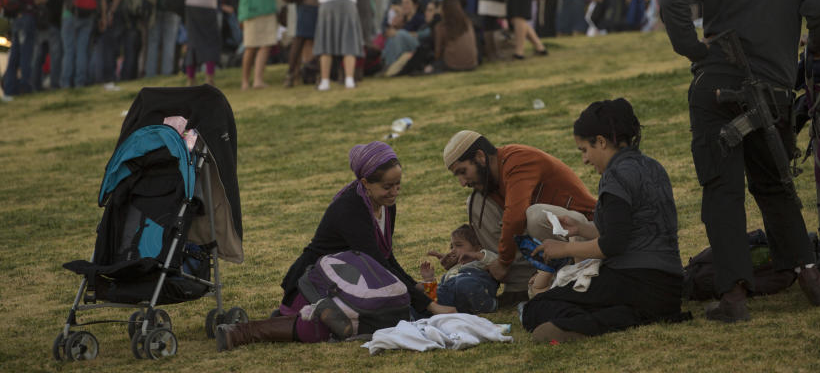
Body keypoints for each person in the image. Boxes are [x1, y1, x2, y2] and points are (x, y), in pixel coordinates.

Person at [659, 0, 820, 322]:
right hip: (774, 91)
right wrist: (817, 47)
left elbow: (671, 4)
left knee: (722, 193)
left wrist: (695, 54)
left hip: (718, 88)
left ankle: (734, 298)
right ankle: (811, 278)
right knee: (776, 184)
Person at [216, 142, 456, 351]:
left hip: (351, 282)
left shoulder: (385, 204)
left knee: (388, 314)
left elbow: (386, 257)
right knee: (335, 328)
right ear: (365, 183)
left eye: (398, 185)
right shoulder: (350, 208)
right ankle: (242, 332)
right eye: (388, 186)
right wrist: (430, 305)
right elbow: (376, 263)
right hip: (314, 282)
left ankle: (284, 322)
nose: (394, 192)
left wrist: (413, 288)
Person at [521, 98, 686, 342]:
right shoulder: (653, 167)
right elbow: (631, 231)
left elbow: (613, 246)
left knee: (536, 308)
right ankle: (632, 315)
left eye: (585, 150)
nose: (585, 160)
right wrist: (584, 229)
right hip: (669, 287)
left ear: (601, 141)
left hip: (634, 280)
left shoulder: (616, 175)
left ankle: (589, 324)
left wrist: (563, 248)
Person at [441, 130, 597, 305]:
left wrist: (503, 262)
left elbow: (515, 216)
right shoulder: (490, 178)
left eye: (463, 172)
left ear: (480, 157)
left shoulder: (519, 160)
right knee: (475, 202)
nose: (462, 183)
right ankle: (520, 285)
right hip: (547, 243)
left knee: (536, 215)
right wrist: (462, 254)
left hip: (585, 233)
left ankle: (565, 275)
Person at [419, 224, 499, 314]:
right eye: (452, 247)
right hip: (452, 296)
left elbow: (495, 261)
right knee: (430, 294)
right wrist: (429, 279)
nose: (453, 250)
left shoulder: (480, 260)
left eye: (458, 245)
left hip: (471, 287)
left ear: (477, 247)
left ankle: (489, 305)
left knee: (463, 282)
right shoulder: (456, 266)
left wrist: (476, 254)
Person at [1, 0, 37, 97]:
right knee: (25, 55)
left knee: (14, 57)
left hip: (16, 19)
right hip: (27, 18)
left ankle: (9, 89)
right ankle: (25, 87)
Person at [430, 0, 478, 72]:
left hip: (452, 65)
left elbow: (438, 52)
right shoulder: (467, 23)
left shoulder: (441, 27)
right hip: (472, 64)